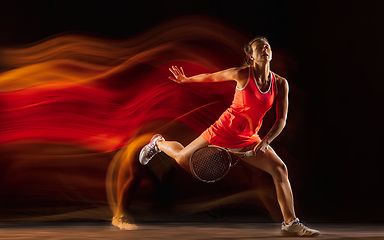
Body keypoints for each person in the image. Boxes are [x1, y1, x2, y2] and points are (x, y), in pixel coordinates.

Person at [137, 36, 320, 237]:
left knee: (280, 170)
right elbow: (212, 76)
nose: (265, 50)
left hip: (249, 138)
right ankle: (159, 143)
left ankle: (290, 223)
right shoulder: (241, 74)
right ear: (251, 56)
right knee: (182, 158)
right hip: (224, 129)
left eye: (267, 46)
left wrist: (266, 140)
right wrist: (187, 79)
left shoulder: (280, 83)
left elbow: (281, 119)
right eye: (259, 48)